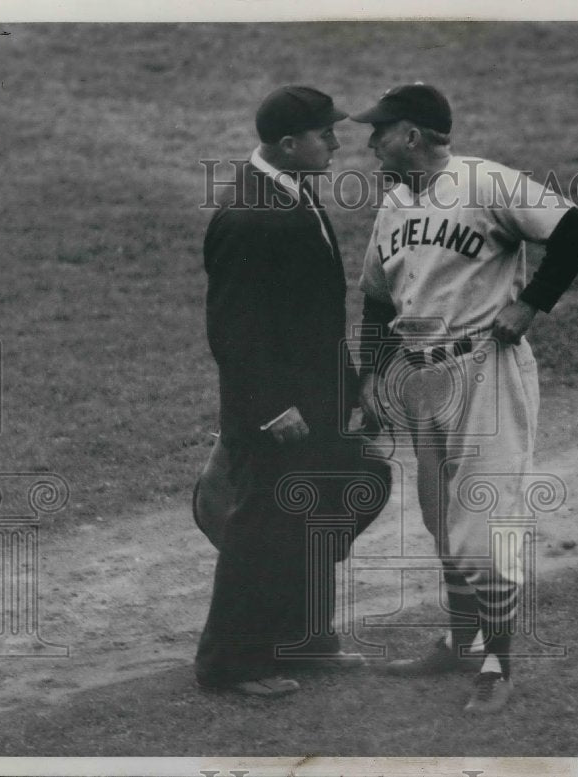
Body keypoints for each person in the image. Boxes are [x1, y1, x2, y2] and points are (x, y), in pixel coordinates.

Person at [351, 84, 578, 714]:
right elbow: (377, 299)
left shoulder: (486, 182)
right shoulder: (394, 204)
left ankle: (498, 663)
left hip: (484, 367)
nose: (370, 142)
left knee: (483, 529)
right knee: (442, 523)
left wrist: (530, 302)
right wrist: (373, 376)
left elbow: (576, 229)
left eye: (380, 131)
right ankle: (461, 640)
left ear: (412, 135)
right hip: (420, 377)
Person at [194, 85, 390, 697]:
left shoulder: (289, 191)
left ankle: (303, 637)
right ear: (287, 144)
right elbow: (233, 331)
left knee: (339, 495)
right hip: (277, 413)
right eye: (324, 134)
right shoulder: (249, 214)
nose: (336, 142)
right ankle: (230, 664)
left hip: (317, 400)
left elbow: (315, 316)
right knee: (266, 528)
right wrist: (270, 408)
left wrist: (351, 385)